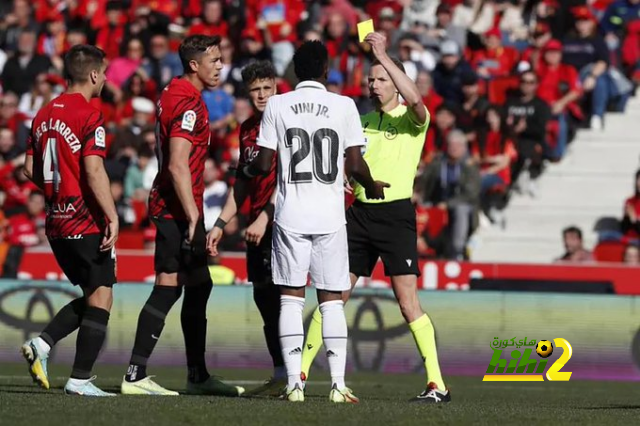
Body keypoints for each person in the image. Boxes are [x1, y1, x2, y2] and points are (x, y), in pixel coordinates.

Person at [222, 40, 387, 403]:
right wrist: (372, 186)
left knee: (290, 301)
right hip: (330, 217)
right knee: (331, 302)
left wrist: (246, 168)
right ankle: (338, 385)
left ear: (293, 72)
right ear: (326, 70)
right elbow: (355, 164)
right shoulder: (344, 105)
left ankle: (294, 385)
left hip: (290, 215)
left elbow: (263, 164)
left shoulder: (278, 105)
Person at [300, 32, 450, 403]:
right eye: (371, 78)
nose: (373, 83)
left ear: (397, 84)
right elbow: (342, 162)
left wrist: (384, 55)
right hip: (360, 216)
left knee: (406, 302)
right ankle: (298, 376)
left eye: (382, 78)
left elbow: (415, 98)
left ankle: (437, 384)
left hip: (396, 216)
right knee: (333, 296)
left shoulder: (414, 120)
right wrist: (345, 179)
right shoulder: (360, 119)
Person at [120, 35, 243, 397]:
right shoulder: (187, 102)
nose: (220, 66)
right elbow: (176, 164)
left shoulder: (174, 92)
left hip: (180, 205)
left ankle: (197, 375)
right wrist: (193, 217)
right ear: (194, 65)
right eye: (215, 60)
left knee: (198, 285)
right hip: (177, 209)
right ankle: (135, 373)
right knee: (168, 284)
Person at [21, 44, 119, 396]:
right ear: (94, 74)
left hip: (56, 222)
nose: (106, 78)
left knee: (96, 293)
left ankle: (43, 345)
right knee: (102, 295)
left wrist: (57, 189)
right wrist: (112, 215)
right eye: (104, 72)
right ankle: (79, 379)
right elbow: (94, 171)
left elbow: (29, 168)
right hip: (84, 219)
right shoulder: (89, 114)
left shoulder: (42, 113)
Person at [207, 60, 286, 396]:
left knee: (287, 298)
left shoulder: (288, 125)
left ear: (277, 87)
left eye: (267, 88)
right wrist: (221, 223)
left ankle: (296, 372)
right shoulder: (247, 129)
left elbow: (290, 181)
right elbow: (241, 183)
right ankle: (282, 371)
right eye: (255, 90)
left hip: (283, 222)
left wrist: (266, 216)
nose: (261, 95)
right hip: (256, 224)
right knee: (264, 296)